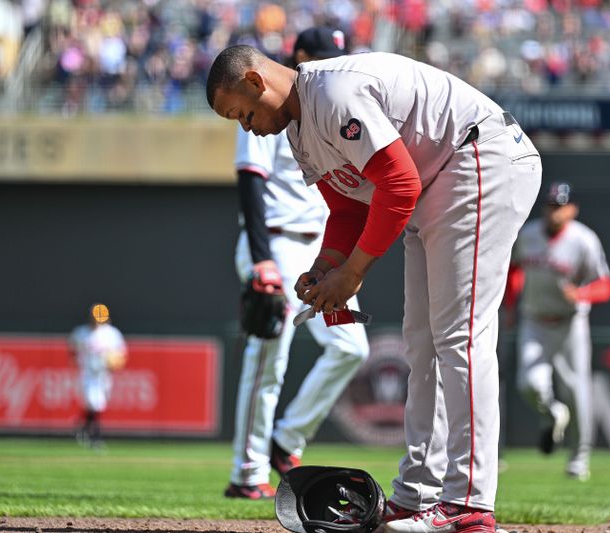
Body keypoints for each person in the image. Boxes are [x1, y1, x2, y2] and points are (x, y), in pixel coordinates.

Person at [206, 44, 541, 533]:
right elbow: (347, 210)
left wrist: (353, 273)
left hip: (477, 156)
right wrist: (327, 265)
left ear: (257, 83)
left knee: (459, 337)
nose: (247, 127)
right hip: (441, 179)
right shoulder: (300, 130)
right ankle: (416, 494)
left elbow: (399, 184)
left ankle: (469, 503)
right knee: (421, 342)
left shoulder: (332, 90)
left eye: (243, 113)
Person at [223, 27, 370, 501]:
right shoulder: (263, 107)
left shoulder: (326, 104)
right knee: (269, 356)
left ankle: (286, 438)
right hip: (278, 245)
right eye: (324, 56)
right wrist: (262, 260)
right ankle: (247, 472)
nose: (333, 63)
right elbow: (250, 184)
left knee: (352, 347)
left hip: (320, 249)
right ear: (301, 56)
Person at [504, 182, 610, 481]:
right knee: (529, 383)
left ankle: (580, 457)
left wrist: (581, 295)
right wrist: (511, 305)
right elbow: (513, 269)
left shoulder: (584, 240)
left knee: (577, 391)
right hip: (535, 320)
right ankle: (552, 414)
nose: (555, 211)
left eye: (561, 206)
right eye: (551, 205)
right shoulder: (528, 235)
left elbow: (605, 285)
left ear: (572, 209)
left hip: (570, 323)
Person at [69, 303, 127, 449]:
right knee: (94, 403)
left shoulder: (111, 334)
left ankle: (83, 427)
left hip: (104, 373)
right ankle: (95, 436)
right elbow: (72, 349)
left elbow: (121, 354)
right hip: (88, 372)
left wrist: (115, 362)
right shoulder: (81, 333)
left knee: (99, 404)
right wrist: (76, 360)